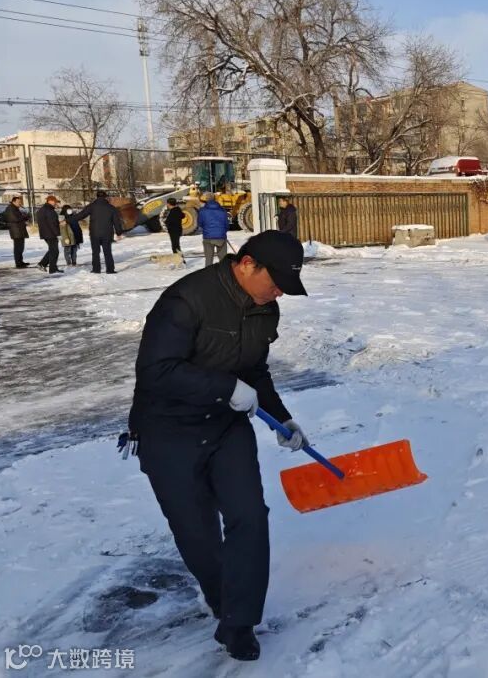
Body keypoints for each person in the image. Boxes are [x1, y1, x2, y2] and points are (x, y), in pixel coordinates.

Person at [126, 231, 309, 662]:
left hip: (226, 428)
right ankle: (222, 601)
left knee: (249, 516)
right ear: (246, 264)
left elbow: (255, 372)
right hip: (168, 430)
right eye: (276, 281)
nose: (279, 292)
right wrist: (225, 387)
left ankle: (239, 622)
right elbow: (156, 371)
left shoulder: (265, 308)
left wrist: (282, 418)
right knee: (197, 532)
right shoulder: (185, 301)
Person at [73, 190, 125, 274]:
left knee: (95, 252)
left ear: (97, 197)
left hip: (94, 234)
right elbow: (117, 222)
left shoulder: (91, 206)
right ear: (105, 197)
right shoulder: (111, 208)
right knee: (107, 252)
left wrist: (68, 220)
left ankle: (96, 269)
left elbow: (80, 215)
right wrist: (119, 233)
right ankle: (110, 269)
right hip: (107, 234)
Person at [199, 193, 229, 266]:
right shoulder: (222, 210)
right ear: (215, 199)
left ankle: (208, 272)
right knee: (223, 259)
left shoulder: (202, 211)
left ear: (206, 199)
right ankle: (224, 271)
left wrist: (206, 229)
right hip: (221, 237)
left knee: (208, 259)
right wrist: (223, 232)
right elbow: (226, 224)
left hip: (208, 237)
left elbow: (200, 223)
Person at [36, 195, 62, 275]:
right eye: (55, 202)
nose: (55, 203)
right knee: (54, 251)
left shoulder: (42, 209)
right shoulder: (49, 210)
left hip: (45, 233)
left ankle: (42, 264)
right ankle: (52, 269)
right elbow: (52, 224)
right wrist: (58, 234)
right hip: (51, 234)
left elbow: (48, 222)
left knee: (52, 250)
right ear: (50, 201)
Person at [5, 195, 30, 269]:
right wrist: (24, 217)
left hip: (19, 230)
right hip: (16, 231)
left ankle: (20, 261)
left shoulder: (15, 208)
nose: (20, 203)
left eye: (20, 202)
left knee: (21, 247)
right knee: (18, 247)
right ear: (14, 202)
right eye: (18, 202)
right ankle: (18, 263)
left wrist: (25, 217)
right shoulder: (10, 208)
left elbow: (19, 218)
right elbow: (15, 218)